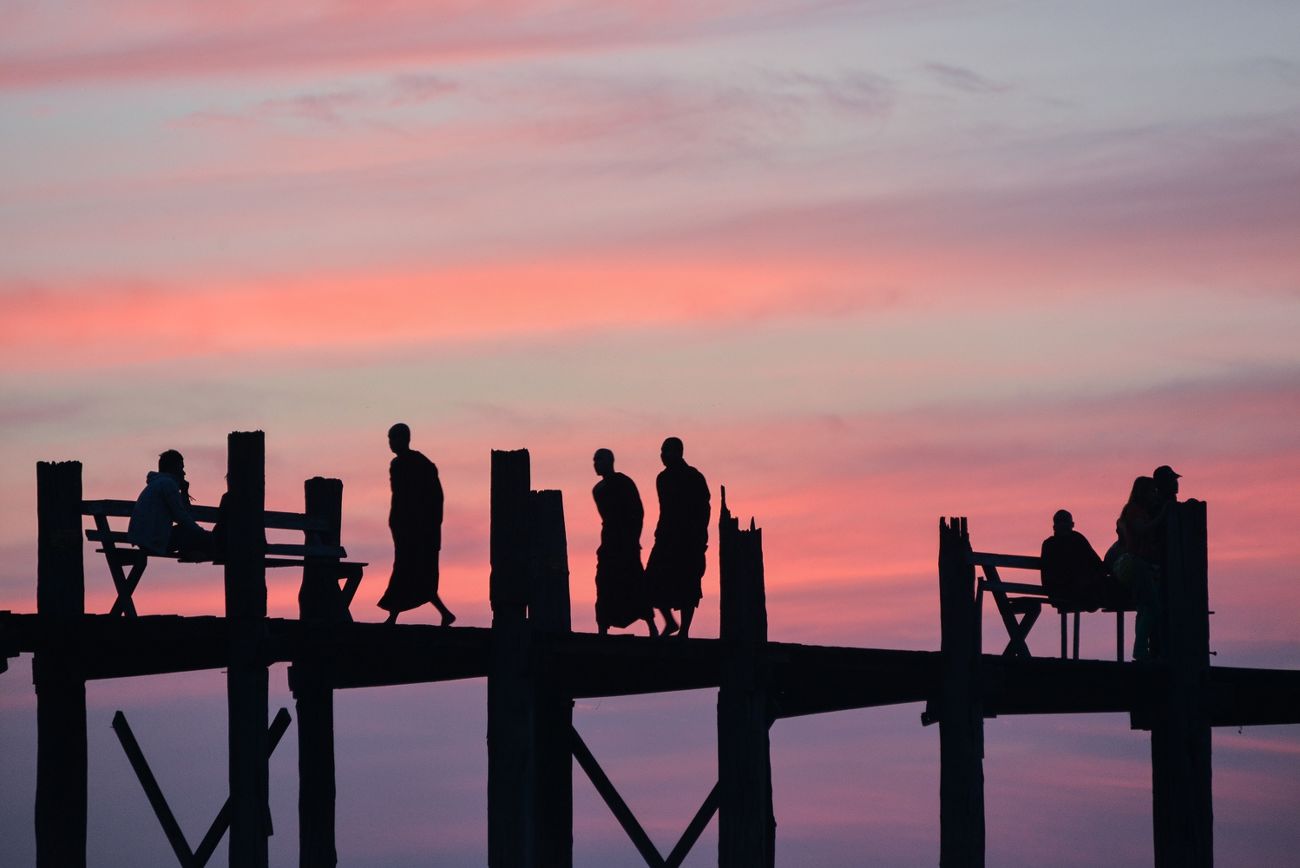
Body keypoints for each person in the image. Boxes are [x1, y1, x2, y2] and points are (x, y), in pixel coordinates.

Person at [379, 423, 455, 626]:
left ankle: (393, 616)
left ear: (404, 439)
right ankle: (444, 614)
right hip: (411, 527)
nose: (391, 444)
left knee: (409, 570)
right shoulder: (415, 464)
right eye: (389, 439)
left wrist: (419, 524)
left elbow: (415, 498)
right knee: (413, 571)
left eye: (393, 439)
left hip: (415, 528)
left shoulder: (413, 465)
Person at [646, 437, 710, 638]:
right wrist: (660, 533)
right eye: (662, 451)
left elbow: (704, 507)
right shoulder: (662, 479)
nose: (662, 456)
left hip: (689, 538)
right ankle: (671, 623)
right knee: (651, 580)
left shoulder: (694, 477)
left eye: (666, 451)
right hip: (666, 537)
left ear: (678, 452)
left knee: (688, 583)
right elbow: (665, 509)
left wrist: (700, 536)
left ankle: (684, 630)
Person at [591, 449, 658, 636]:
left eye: (600, 459)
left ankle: (651, 626)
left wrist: (633, 537)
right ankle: (602, 628)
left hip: (626, 542)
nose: (596, 464)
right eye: (594, 460)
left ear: (610, 461)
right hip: (609, 543)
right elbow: (608, 518)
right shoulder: (597, 490)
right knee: (604, 583)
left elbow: (638, 512)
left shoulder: (624, 483)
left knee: (635, 580)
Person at [1115, 476, 1167, 660]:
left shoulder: (1140, 510)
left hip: (1143, 565)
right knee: (1151, 606)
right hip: (1137, 564)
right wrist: (1163, 516)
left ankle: (1141, 650)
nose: (1155, 495)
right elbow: (1141, 530)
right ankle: (1140, 650)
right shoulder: (1133, 510)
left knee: (1145, 607)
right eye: (1152, 491)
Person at [128, 449, 212, 559]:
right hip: (154, 540)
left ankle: (197, 551)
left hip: (145, 539)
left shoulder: (158, 483)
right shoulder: (168, 484)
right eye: (181, 468)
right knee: (198, 535)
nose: (184, 472)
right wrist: (201, 533)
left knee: (190, 532)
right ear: (172, 468)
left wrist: (184, 492)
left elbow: (182, 514)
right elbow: (182, 516)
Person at [1039, 509, 1104, 611]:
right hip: (1064, 591)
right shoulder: (1072, 540)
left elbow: (1096, 563)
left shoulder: (1075, 539)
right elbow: (1097, 563)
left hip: (1065, 590)